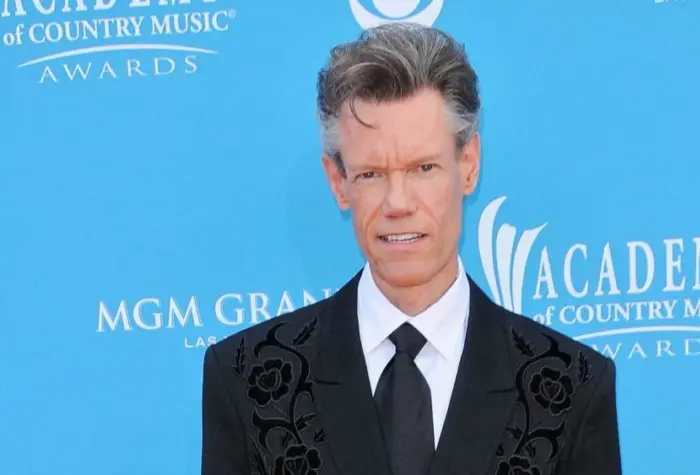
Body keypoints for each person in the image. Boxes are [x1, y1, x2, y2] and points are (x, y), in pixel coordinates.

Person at [201, 22, 622, 475]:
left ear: (469, 165)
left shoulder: (568, 385)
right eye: (371, 174)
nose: (398, 203)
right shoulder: (249, 379)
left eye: (423, 167)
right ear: (338, 182)